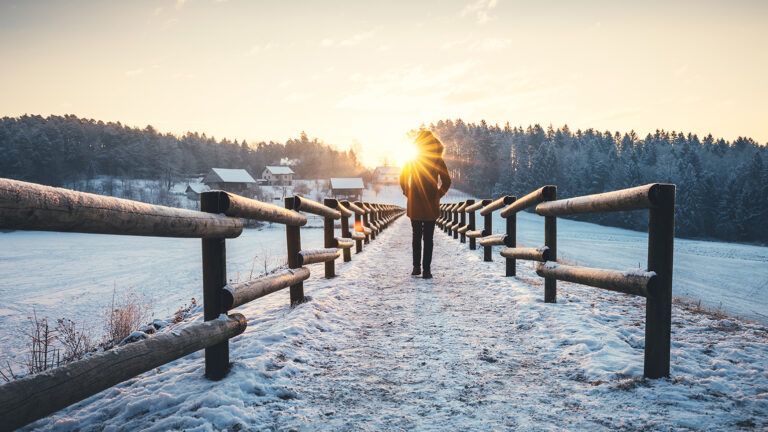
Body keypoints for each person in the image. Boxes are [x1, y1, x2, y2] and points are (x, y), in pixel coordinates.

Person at [399, 130, 451, 279]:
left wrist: (407, 192)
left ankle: (416, 267)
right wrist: (437, 195)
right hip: (431, 204)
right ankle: (427, 270)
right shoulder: (438, 160)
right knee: (428, 238)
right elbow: (447, 182)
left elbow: (403, 178)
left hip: (415, 202)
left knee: (416, 236)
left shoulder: (413, 159)